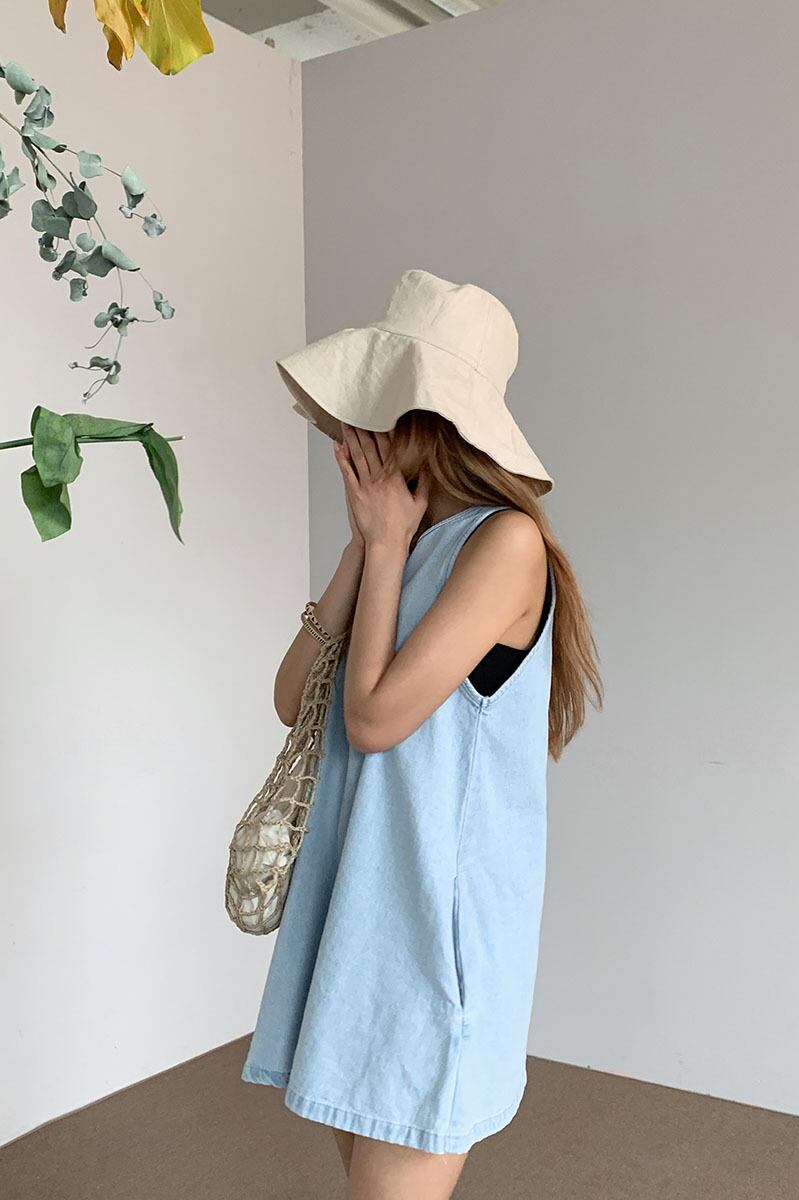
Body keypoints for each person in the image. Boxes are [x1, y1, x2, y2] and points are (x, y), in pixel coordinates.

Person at [241, 270, 603, 1200]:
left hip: (432, 931)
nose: (353, 432)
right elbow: (292, 696)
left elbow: (371, 721)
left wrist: (385, 547)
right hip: (362, 913)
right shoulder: (394, 541)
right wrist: (368, 547)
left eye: (377, 406)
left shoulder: (505, 544)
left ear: (425, 417)